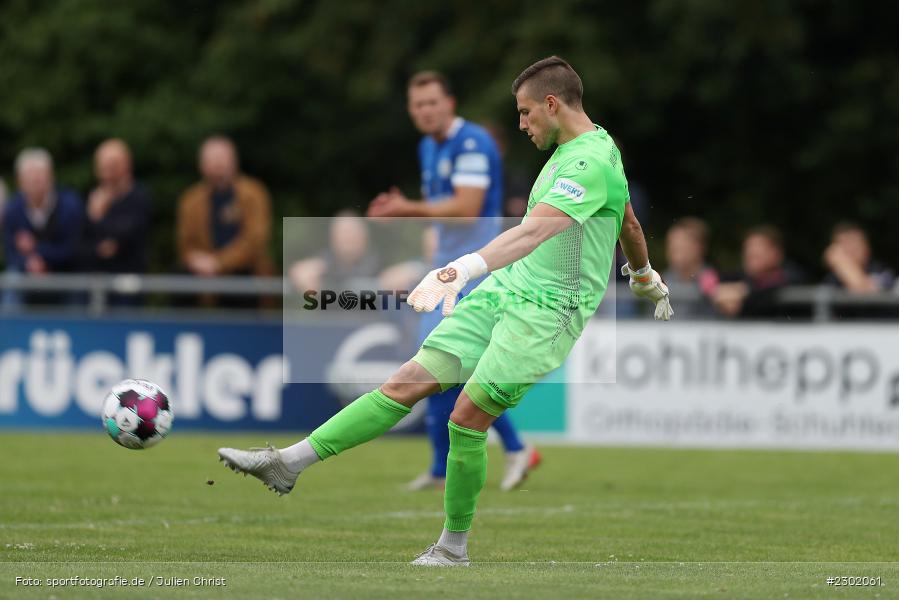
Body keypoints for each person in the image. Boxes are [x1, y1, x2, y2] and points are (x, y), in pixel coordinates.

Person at [218, 56, 672, 566]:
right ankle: (288, 463)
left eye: (525, 113)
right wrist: (643, 277)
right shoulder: (590, 149)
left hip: (548, 314)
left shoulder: (586, 165)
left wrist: (457, 270)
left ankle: (453, 548)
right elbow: (629, 221)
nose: (520, 124)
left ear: (551, 104)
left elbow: (532, 232)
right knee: (405, 383)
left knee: (466, 416)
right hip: (506, 291)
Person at [367, 70, 539, 492]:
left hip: (476, 270)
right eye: (417, 105)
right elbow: (442, 217)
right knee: (444, 365)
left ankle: (512, 449)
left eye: (432, 102)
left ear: (450, 103)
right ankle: (451, 465)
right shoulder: (430, 146)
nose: (425, 111)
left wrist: (405, 208)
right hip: (446, 269)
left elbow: (466, 208)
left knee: (443, 362)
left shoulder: (473, 143)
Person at [176, 135, 273, 305]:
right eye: (212, 160)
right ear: (202, 165)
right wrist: (197, 261)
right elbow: (185, 244)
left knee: (242, 284)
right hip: (203, 273)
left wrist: (219, 263)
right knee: (179, 277)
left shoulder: (254, 194)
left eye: (221, 158)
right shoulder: (191, 200)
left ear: (234, 161)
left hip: (245, 272)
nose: (217, 164)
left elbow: (255, 241)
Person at [2, 148, 83, 307]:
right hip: (27, 275)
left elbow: (74, 249)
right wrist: (28, 263)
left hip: (63, 272)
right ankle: (8, 329)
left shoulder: (70, 206)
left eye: (39, 178)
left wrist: (39, 252)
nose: (35, 184)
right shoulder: (12, 210)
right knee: (12, 279)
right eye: (30, 179)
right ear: (20, 181)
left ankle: (79, 329)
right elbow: (10, 253)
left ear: (51, 177)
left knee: (79, 282)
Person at [80, 139, 152, 304]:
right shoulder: (90, 196)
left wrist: (99, 218)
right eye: (102, 166)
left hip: (129, 276)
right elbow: (81, 244)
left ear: (126, 166)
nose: (107, 173)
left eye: (112, 166)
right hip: (94, 276)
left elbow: (129, 236)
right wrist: (100, 248)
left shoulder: (139, 198)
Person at [712, 225, 804, 318]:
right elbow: (710, 280)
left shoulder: (792, 277)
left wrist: (744, 293)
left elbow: (775, 291)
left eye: (758, 252)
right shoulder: (738, 276)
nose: (750, 253)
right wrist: (721, 294)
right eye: (748, 248)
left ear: (777, 254)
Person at [663, 217, 718, 318]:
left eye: (681, 247)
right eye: (672, 247)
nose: (674, 253)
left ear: (699, 248)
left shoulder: (716, 281)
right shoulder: (661, 281)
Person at [822, 221, 893, 293]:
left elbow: (867, 292)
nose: (850, 250)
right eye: (844, 245)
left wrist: (841, 263)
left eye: (854, 243)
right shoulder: (833, 278)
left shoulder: (881, 272)